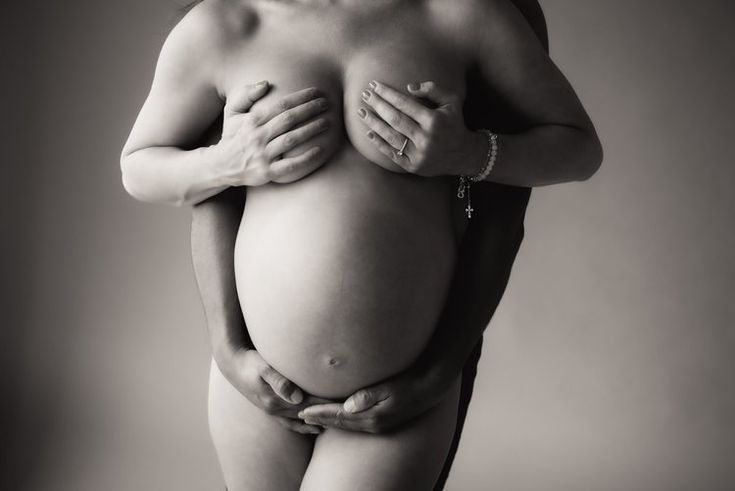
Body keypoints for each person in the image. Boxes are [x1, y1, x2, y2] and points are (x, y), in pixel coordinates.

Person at [120, 0, 602, 489]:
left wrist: (471, 152)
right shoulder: (226, 22)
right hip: (254, 382)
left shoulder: (462, 15)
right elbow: (139, 167)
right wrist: (228, 162)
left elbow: (579, 148)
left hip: (400, 392)